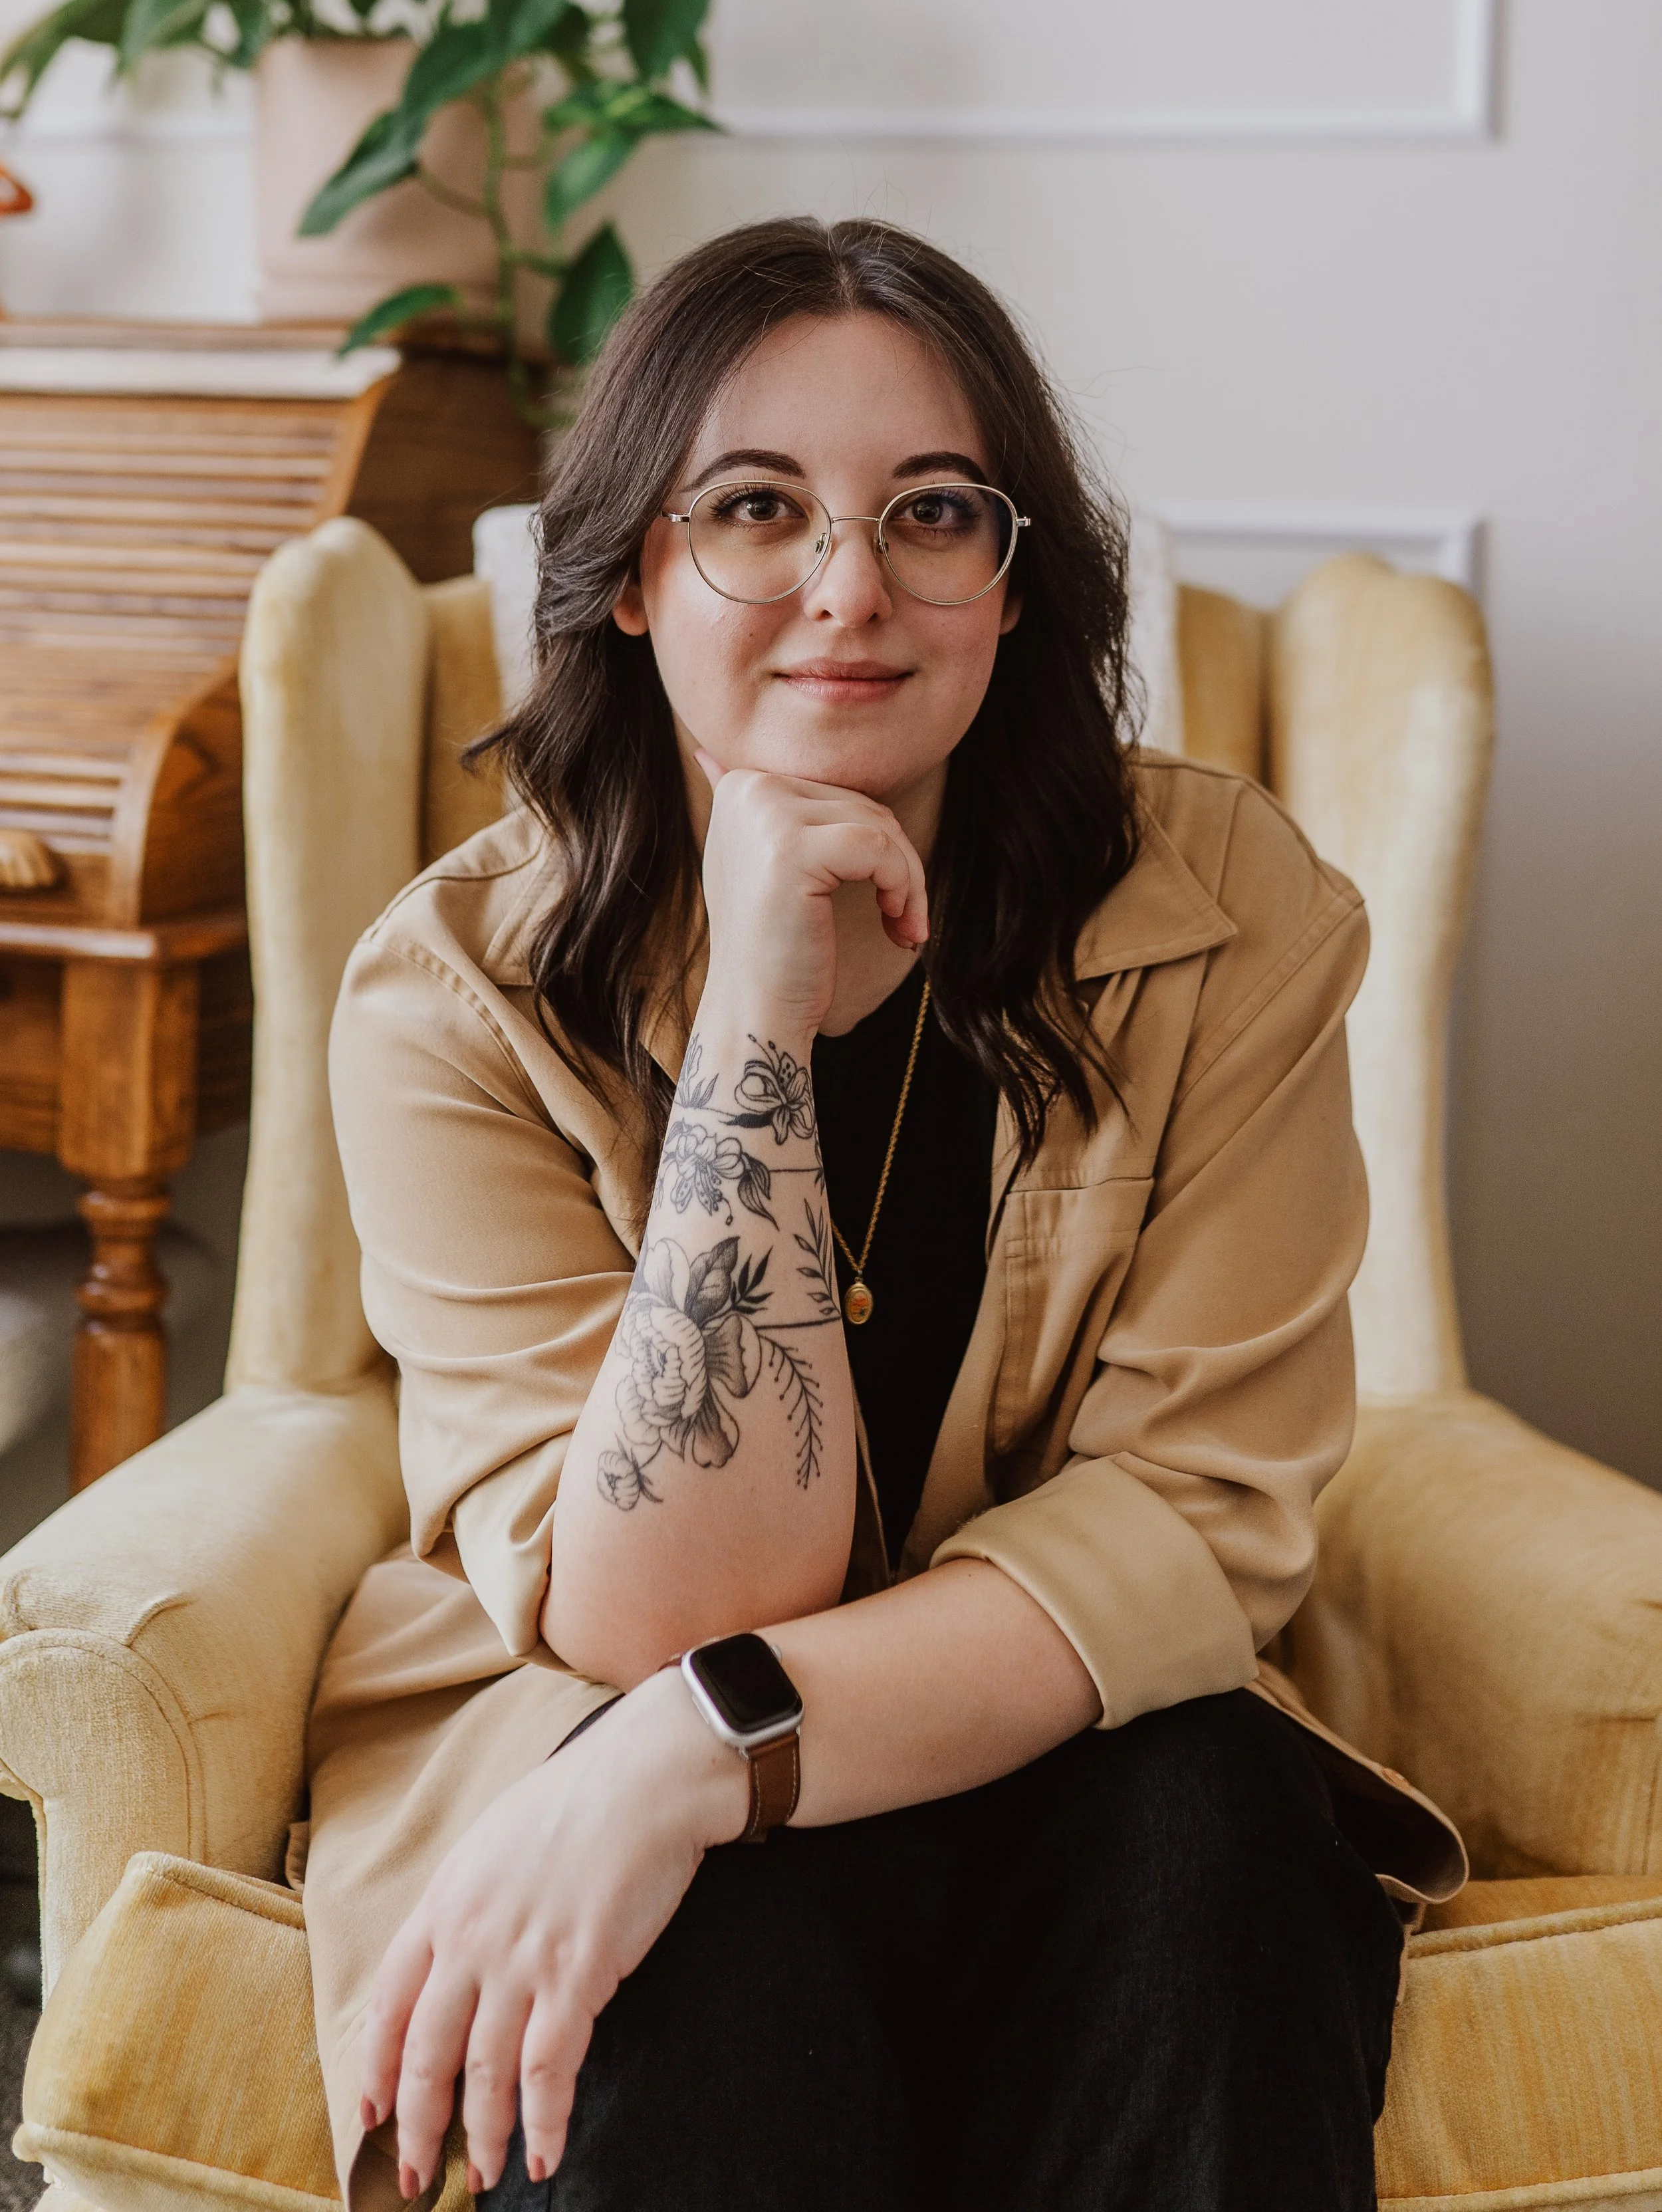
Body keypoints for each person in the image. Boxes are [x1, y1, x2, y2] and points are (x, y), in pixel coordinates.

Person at [308, 216, 1462, 2212]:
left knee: (1209, 1811)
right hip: (606, 1737)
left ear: (1012, 586)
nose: (850, 589)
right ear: (632, 578)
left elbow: (1193, 1525)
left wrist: (705, 1746)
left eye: (931, 511)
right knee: (688, 1939)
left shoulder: (1231, 913)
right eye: (754, 508)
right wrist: (758, 1004)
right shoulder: (450, 997)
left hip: (1066, 1768)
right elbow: (653, 1615)